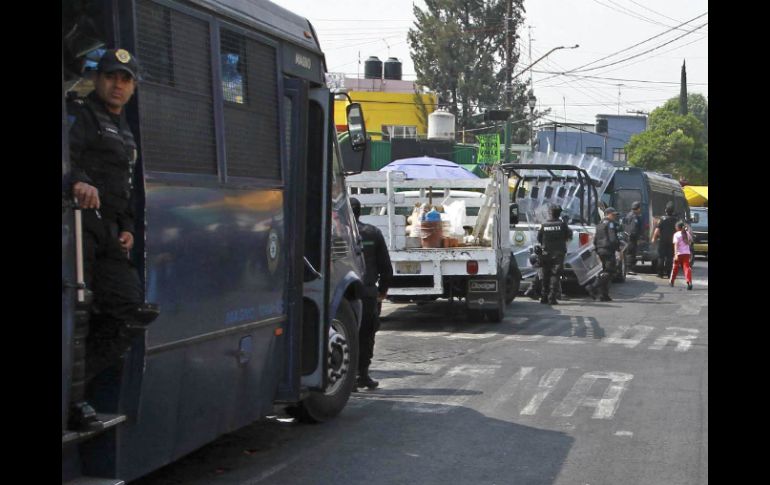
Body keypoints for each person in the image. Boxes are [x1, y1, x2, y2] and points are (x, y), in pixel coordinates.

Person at [67, 49, 158, 430]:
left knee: (130, 311)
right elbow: (66, 160)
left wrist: (127, 227)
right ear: (97, 79)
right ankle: (72, 402)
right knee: (78, 314)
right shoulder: (79, 116)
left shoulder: (124, 129)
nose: (117, 85)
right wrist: (74, 181)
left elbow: (124, 186)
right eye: (111, 77)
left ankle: (74, 387)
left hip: (108, 232)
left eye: (125, 79)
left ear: (133, 86)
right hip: (77, 226)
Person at [349, 198, 393, 390]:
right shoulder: (372, 233)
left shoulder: (335, 233)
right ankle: (362, 375)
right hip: (367, 293)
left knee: (346, 334)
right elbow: (386, 267)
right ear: (360, 212)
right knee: (366, 335)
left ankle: (346, 378)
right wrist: (382, 291)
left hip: (343, 295)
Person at [537, 205, 573, 304]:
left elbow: (539, 238)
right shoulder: (562, 225)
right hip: (558, 253)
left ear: (550, 213)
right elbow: (569, 236)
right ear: (559, 213)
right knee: (555, 275)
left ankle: (544, 296)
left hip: (545, 253)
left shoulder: (544, 225)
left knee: (545, 274)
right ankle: (552, 297)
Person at [586, 207, 620, 301]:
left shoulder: (599, 224)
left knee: (605, 271)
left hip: (601, 250)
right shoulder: (610, 224)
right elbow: (613, 238)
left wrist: (597, 250)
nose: (614, 217)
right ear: (608, 214)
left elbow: (595, 239)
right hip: (608, 250)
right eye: (613, 215)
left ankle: (604, 295)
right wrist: (618, 247)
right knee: (610, 271)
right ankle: (592, 287)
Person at [651, 202, 677, 278]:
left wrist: (654, 238)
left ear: (666, 210)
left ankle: (660, 273)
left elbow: (657, 230)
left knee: (661, 257)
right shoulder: (676, 220)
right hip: (672, 241)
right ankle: (669, 274)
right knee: (670, 257)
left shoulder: (662, 219)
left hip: (662, 240)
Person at [670, 221, 693, 290]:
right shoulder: (687, 233)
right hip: (686, 254)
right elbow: (690, 242)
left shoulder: (676, 234)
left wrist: (676, 254)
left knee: (675, 268)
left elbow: (676, 245)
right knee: (686, 268)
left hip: (679, 254)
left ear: (677, 227)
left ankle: (672, 281)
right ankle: (689, 282)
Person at [622, 201, 643, 274]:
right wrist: (637, 238)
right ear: (637, 208)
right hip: (631, 238)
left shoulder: (628, 215)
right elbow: (633, 229)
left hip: (627, 237)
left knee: (629, 252)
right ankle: (629, 269)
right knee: (631, 253)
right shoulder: (634, 217)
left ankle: (628, 268)